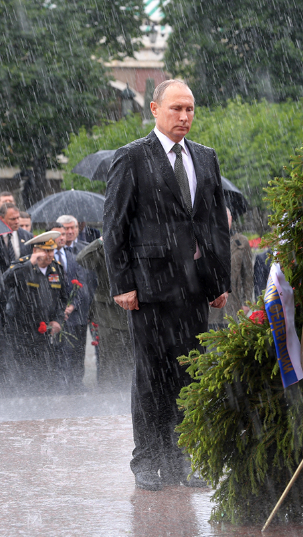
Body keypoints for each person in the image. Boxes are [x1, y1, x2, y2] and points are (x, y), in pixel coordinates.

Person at [104, 78, 231, 491]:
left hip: (193, 289)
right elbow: (115, 225)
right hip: (148, 290)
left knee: (189, 376)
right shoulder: (132, 158)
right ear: (155, 110)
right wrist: (122, 282)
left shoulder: (206, 158)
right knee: (150, 376)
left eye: (190, 109)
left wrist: (218, 281)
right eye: (176, 108)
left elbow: (213, 224)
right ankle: (147, 458)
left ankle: (184, 459)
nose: (184, 116)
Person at [0, 232, 67, 393]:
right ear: (36, 250)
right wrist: (29, 264)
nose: (50, 255)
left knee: (44, 373)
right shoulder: (23, 264)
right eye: (46, 251)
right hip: (20, 330)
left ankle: (42, 406)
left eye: (52, 251)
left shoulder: (56, 268)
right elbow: (6, 280)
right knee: (21, 373)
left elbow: (62, 299)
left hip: (44, 331)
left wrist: (58, 320)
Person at [76, 237, 134, 390]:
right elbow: (82, 259)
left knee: (133, 362)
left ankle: (130, 395)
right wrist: (102, 240)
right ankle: (108, 399)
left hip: (134, 312)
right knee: (110, 363)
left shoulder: (138, 242)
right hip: (109, 315)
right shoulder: (105, 247)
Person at [50, 224, 93, 393]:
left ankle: (76, 385)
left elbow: (82, 284)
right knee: (59, 352)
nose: (62, 237)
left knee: (77, 351)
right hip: (55, 316)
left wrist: (72, 306)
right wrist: (58, 310)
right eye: (58, 234)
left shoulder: (73, 257)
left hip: (75, 315)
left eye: (63, 234)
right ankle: (59, 385)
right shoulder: (47, 257)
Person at [207, 209, 254, 329]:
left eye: (226, 217)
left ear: (231, 219)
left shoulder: (241, 243)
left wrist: (247, 303)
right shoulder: (206, 241)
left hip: (234, 307)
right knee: (211, 345)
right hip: (211, 310)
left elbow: (248, 275)